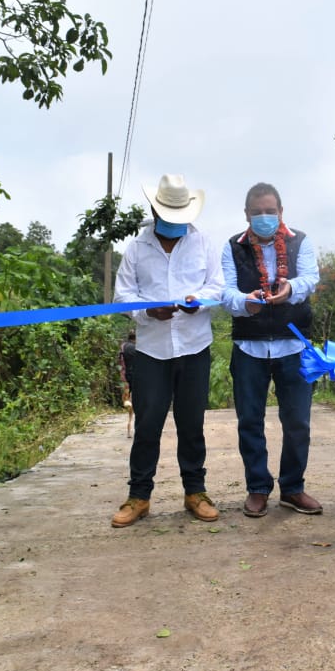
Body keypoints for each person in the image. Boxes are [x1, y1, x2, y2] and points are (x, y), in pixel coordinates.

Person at [111, 174, 224, 527]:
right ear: (154, 211)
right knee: (148, 424)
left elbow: (217, 286)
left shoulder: (203, 242)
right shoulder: (136, 248)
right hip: (152, 350)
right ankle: (139, 496)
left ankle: (196, 492)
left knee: (192, 423)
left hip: (194, 346)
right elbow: (122, 297)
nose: (177, 224)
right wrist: (148, 311)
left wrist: (199, 303)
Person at [221, 182, 322, 517]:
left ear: (281, 212)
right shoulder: (232, 247)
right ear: (247, 214)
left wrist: (290, 287)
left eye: (270, 211)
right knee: (250, 420)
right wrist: (244, 303)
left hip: (293, 344)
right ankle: (258, 488)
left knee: (298, 421)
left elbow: (310, 279)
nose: (264, 217)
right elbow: (226, 291)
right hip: (249, 345)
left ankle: (292, 487)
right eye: (257, 212)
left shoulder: (300, 242)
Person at [118, 329, 138, 437]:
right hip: (135, 377)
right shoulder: (135, 348)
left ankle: (129, 431)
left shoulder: (123, 346)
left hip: (125, 377)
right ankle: (135, 429)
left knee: (129, 405)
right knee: (137, 404)